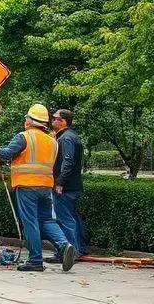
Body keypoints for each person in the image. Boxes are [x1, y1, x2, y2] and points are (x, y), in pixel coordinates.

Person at [0, 103, 77, 272]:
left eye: (27, 118)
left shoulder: (24, 137)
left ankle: (35, 260)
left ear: (31, 121)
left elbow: (7, 153)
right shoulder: (53, 141)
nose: (25, 121)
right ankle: (65, 246)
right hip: (45, 187)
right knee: (46, 220)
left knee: (30, 222)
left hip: (26, 186)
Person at [49, 109, 85, 261]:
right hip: (73, 185)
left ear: (63, 121)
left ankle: (70, 252)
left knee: (65, 219)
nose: (52, 120)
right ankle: (78, 248)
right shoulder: (71, 136)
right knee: (73, 218)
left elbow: (68, 161)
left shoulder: (66, 138)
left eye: (55, 118)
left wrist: (60, 182)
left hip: (66, 187)